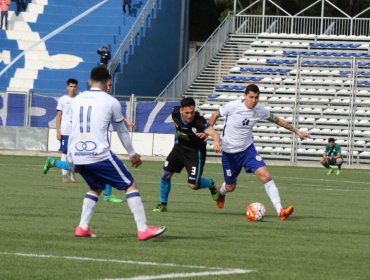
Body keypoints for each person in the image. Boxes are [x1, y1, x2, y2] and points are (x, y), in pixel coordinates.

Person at [67, 65, 165, 240]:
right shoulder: (111, 101)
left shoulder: (76, 101)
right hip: (99, 155)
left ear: (89, 82)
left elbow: (71, 130)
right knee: (130, 184)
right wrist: (132, 153)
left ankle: (82, 227)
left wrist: (70, 157)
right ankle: (143, 229)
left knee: (95, 188)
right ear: (108, 83)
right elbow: (122, 131)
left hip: (78, 155)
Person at [209, 84, 310, 221]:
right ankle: (220, 191)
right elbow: (215, 114)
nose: (254, 100)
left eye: (256, 97)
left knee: (266, 176)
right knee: (230, 186)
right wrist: (212, 134)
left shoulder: (259, 110)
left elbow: (278, 120)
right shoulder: (233, 106)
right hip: (229, 153)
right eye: (251, 97)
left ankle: (281, 210)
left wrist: (297, 131)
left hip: (247, 150)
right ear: (245, 96)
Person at [152, 97, 222, 212]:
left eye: (192, 112)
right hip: (179, 148)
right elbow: (177, 123)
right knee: (165, 175)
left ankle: (211, 184)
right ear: (181, 110)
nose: (190, 116)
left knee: (193, 185)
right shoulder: (175, 112)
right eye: (187, 113)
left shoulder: (199, 121)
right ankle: (162, 204)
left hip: (195, 153)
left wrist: (216, 142)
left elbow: (215, 134)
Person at [56, 79, 78, 183]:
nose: (72, 88)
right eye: (71, 86)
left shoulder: (79, 99)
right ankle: (64, 175)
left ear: (76, 87)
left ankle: (72, 174)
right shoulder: (62, 99)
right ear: (67, 87)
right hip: (65, 130)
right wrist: (58, 130)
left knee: (74, 153)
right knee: (64, 153)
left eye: (74, 86)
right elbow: (59, 116)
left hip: (76, 131)